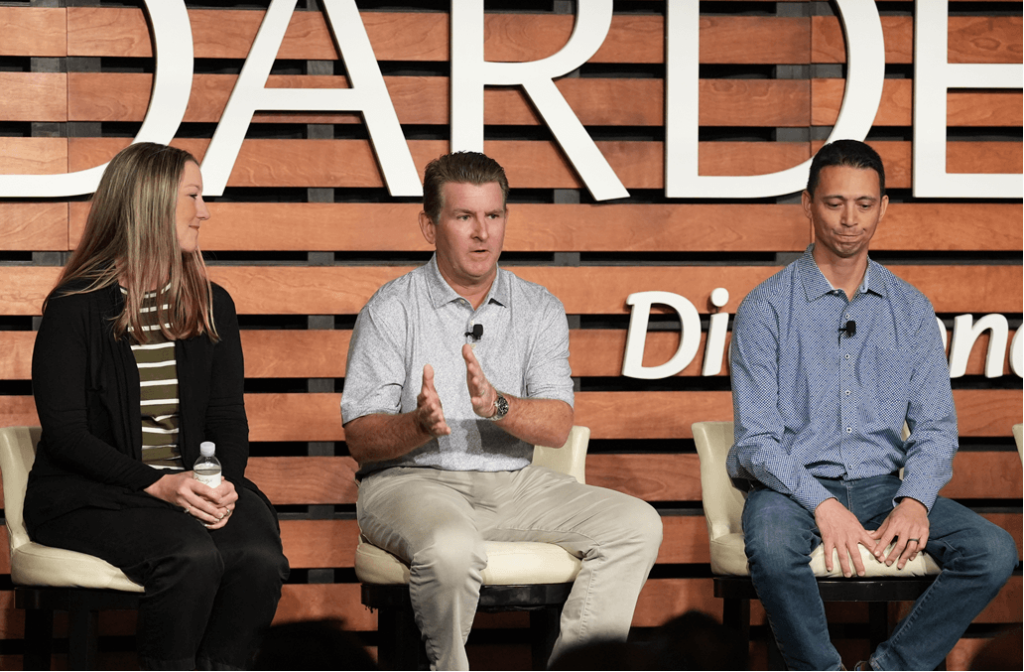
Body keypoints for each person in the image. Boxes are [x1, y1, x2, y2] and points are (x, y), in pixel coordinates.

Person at [342, 151, 663, 672]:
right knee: (451, 547)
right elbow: (361, 437)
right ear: (429, 225)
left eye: (494, 216)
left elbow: (557, 425)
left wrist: (497, 405)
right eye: (464, 216)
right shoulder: (391, 309)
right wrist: (417, 425)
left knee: (636, 524)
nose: (481, 233)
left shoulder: (538, 308)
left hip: (513, 484)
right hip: (409, 482)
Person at [727, 139, 1018, 672]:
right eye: (835, 203)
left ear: (883, 207)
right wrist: (823, 503)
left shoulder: (909, 308)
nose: (849, 219)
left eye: (864, 204)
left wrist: (916, 500)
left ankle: (888, 670)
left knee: (994, 551)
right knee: (770, 544)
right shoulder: (765, 308)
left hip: (885, 487)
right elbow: (757, 441)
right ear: (808, 204)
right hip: (790, 489)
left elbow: (935, 426)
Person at [25, 142, 290, 672]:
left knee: (259, 559)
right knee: (188, 557)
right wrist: (158, 484)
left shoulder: (212, 303)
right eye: (193, 195)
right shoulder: (75, 306)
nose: (204, 211)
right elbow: (67, 435)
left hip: (188, 486)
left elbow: (226, 416)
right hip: (95, 494)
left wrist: (222, 486)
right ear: (149, 204)